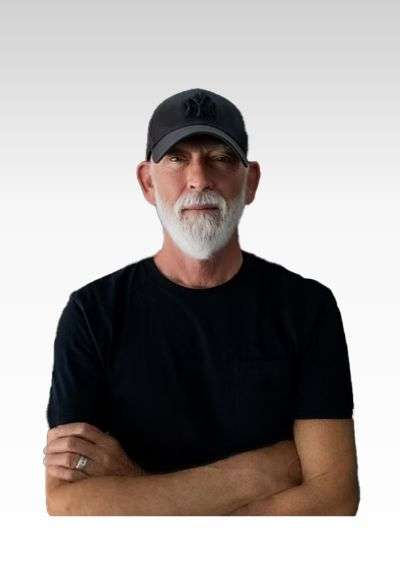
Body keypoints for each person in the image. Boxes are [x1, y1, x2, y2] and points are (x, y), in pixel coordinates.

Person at [44, 88, 360, 516]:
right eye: (177, 159)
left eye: (220, 158)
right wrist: (259, 473)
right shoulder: (92, 312)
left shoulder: (307, 308)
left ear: (251, 181)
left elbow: (334, 498)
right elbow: (66, 503)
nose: (199, 179)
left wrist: (133, 485)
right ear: (147, 182)